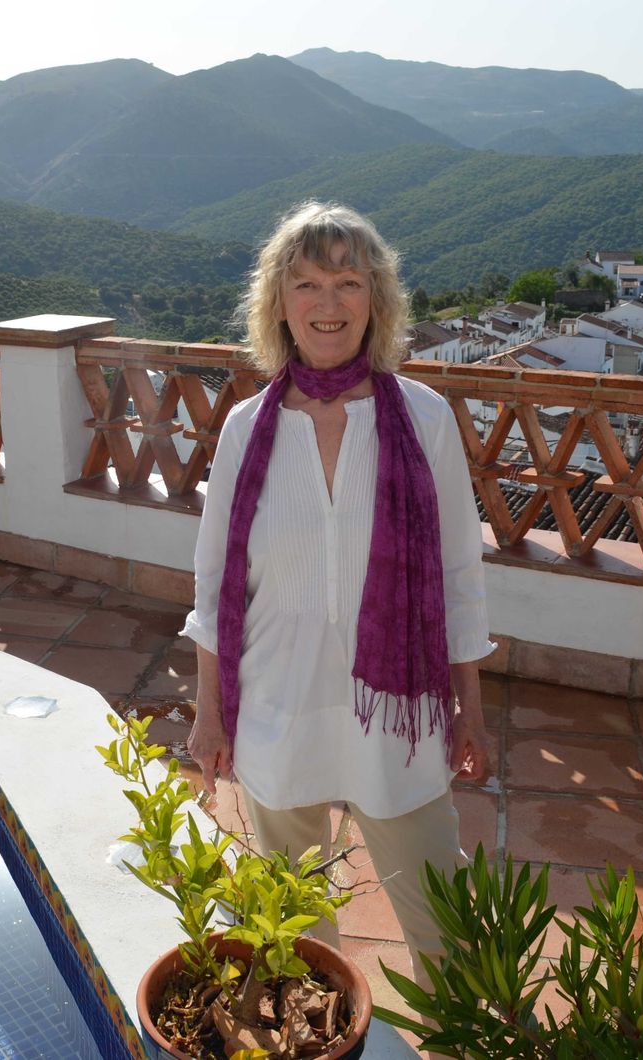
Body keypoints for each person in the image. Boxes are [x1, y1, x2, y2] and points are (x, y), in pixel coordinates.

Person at [182, 200, 493, 998]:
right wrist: (209, 715)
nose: (328, 304)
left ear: (376, 299)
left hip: (397, 717)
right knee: (296, 935)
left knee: (443, 924)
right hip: (277, 709)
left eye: (348, 282)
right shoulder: (247, 429)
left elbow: (460, 573)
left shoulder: (421, 419)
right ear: (278, 302)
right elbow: (216, 585)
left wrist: (472, 708)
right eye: (308, 283)